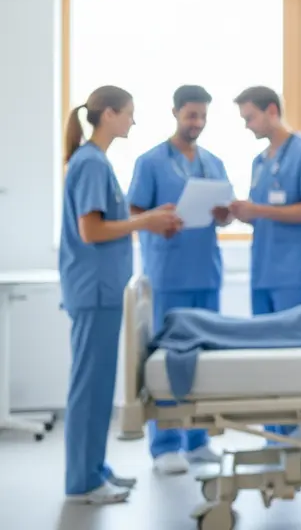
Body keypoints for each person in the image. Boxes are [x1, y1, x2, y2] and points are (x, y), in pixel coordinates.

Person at [59, 85, 183, 504]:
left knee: (98, 386)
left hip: (102, 290)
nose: (133, 121)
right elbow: (91, 230)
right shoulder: (91, 163)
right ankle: (82, 481)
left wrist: (144, 219)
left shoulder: (96, 162)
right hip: (94, 290)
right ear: (108, 114)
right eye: (130, 113)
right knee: (88, 387)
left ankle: (94, 469)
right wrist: (145, 221)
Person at [127, 84, 231, 475]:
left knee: (203, 356)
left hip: (206, 269)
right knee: (168, 358)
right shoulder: (150, 161)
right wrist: (158, 219)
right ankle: (165, 444)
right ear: (175, 113)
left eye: (202, 116)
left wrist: (225, 215)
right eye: (191, 115)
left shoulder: (213, 162)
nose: (197, 123)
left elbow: (225, 207)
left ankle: (198, 441)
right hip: (168, 271)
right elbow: (135, 210)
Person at [229, 85, 301, 441]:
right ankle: (274, 433)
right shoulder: (260, 161)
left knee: (293, 355)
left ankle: (294, 434)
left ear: (272, 110)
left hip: (293, 271)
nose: (246, 126)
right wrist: (241, 213)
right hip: (264, 269)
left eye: (249, 117)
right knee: (266, 355)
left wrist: (259, 210)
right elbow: (263, 213)